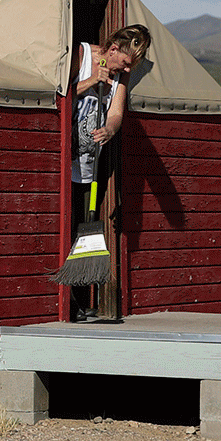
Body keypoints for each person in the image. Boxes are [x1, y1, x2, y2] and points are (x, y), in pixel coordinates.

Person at [69, 24, 151, 320]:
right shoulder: (81, 54)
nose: (125, 69)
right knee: (66, 226)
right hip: (66, 160)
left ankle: (78, 299)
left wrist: (111, 129)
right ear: (113, 48)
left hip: (92, 164)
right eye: (125, 62)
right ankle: (67, 302)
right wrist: (92, 80)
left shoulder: (121, 75)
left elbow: (117, 111)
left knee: (84, 226)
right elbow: (63, 94)